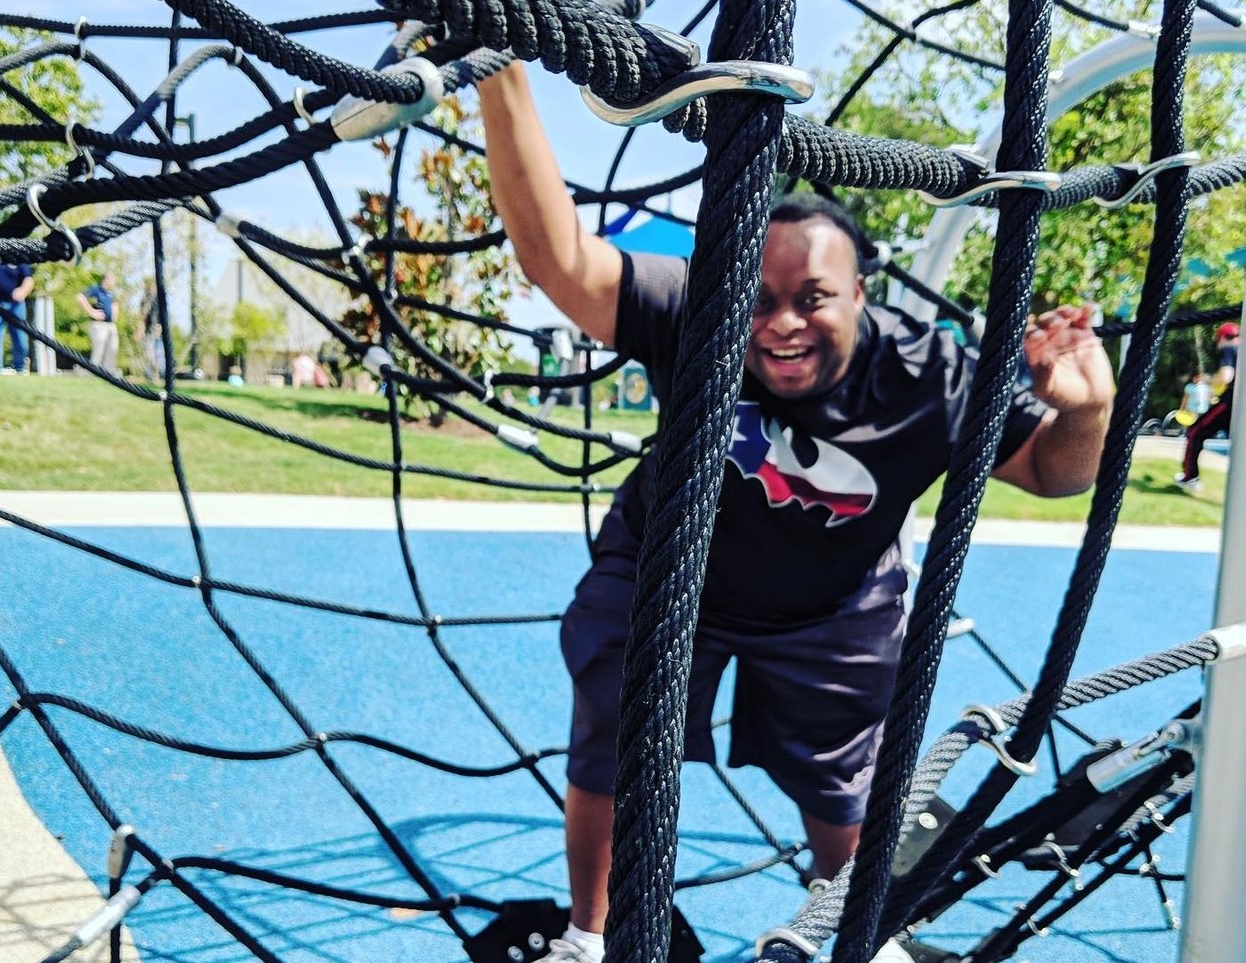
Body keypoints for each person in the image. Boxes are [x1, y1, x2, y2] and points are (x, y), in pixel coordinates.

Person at [477, 63, 1115, 963]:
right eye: (761, 299)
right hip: (669, 571)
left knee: (847, 785)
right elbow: (560, 261)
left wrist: (1083, 410)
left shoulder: (925, 375)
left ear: (861, 295)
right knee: (617, 736)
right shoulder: (702, 308)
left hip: (833, 599)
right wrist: (501, 75)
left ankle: (853, 933)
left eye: (812, 297)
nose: (780, 323)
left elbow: (1052, 472)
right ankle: (593, 933)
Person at [1175, 322, 1238, 492]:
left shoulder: (1230, 349)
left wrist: (1207, 380)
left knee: (1195, 432)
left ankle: (1190, 478)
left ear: (1223, 338)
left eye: (1218, 340)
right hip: (1239, 406)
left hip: (1230, 404)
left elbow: (1226, 376)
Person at [0, 262, 35, 374]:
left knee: (20, 337)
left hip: (15, 305)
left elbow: (29, 279)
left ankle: (20, 368)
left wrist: (22, 291)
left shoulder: (18, 258)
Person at [77, 271, 120, 373]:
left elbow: (115, 304)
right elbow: (80, 297)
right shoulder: (96, 290)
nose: (114, 282)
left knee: (113, 348)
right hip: (99, 325)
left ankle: (109, 374)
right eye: (113, 280)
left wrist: (114, 313)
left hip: (110, 325)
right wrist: (91, 312)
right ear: (106, 279)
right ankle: (93, 372)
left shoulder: (111, 293)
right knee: (99, 349)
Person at [138, 279, 164, 381]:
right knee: (149, 352)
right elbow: (143, 315)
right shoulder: (147, 299)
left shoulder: (155, 299)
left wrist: (159, 325)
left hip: (154, 328)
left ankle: (155, 373)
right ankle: (151, 375)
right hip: (150, 329)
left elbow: (158, 314)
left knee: (153, 352)